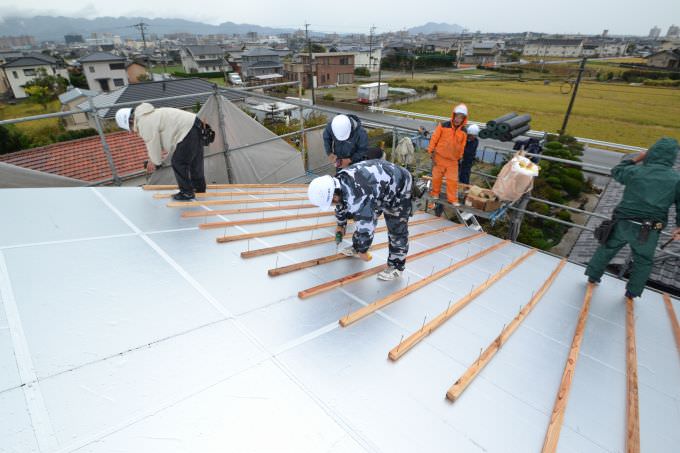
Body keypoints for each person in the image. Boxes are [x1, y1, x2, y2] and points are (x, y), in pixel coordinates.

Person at [585, 137, 680, 298]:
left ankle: (593, 276)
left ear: (652, 153)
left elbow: (616, 171)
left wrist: (637, 158)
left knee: (607, 248)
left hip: (623, 222)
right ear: (672, 156)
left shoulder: (636, 171)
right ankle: (632, 292)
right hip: (649, 229)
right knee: (643, 260)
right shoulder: (676, 179)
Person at [307, 160, 413, 281]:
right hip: (378, 187)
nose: (332, 204)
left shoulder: (358, 195)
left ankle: (397, 266)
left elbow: (366, 226)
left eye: (331, 202)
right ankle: (356, 247)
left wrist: (363, 251)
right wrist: (341, 225)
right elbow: (341, 204)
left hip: (399, 186)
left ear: (334, 195)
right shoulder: (339, 182)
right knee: (365, 209)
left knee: (396, 227)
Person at [115, 103, 205, 201]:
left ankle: (187, 192)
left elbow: (153, 144)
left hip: (187, 130)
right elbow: (158, 141)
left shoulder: (144, 122)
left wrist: (155, 162)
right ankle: (199, 188)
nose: (132, 130)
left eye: (130, 127)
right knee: (195, 161)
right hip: (195, 124)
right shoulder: (148, 114)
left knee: (178, 162)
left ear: (130, 121)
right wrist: (153, 159)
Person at [427, 103, 468, 208]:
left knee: (452, 181)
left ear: (464, 119)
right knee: (436, 178)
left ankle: (453, 199)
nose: (458, 119)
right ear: (453, 115)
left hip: (453, 161)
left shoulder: (464, 131)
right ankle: (435, 194)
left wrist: (460, 156)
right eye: (457, 116)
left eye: (461, 117)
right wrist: (431, 151)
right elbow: (434, 138)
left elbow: (463, 145)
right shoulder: (443, 125)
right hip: (439, 157)